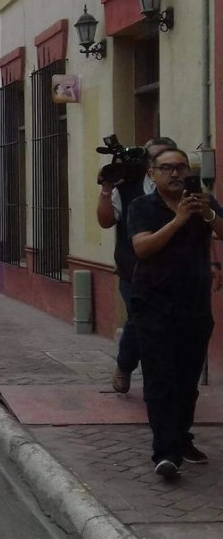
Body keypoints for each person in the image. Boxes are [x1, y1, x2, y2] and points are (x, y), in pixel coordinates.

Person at [128, 148, 222, 479]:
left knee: (186, 381)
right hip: (153, 304)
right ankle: (165, 453)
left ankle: (181, 439)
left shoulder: (202, 201)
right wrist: (180, 219)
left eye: (181, 167)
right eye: (167, 168)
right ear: (152, 174)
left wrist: (208, 214)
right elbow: (143, 247)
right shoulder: (143, 207)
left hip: (194, 306)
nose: (175, 174)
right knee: (160, 379)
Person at [97, 137, 178, 394]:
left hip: (176, 273)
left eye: (167, 160)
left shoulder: (184, 190)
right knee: (139, 320)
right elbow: (107, 220)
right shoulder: (129, 187)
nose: (161, 165)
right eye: (153, 159)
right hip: (134, 271)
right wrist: (106, 189)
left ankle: (167, 379)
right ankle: (126, 366)